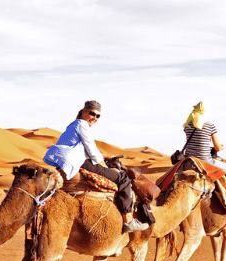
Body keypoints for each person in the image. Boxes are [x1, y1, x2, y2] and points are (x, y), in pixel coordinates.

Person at [43, 100, 149, 234]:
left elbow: (85, 148)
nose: (94, 118)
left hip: (67, 160)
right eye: (92, 114)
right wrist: (108, 168)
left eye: (98, 116)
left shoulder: (73, 125)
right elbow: (92, 151)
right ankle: (128, 220)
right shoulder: (82, 124)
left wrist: (106, 156)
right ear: (84, 111)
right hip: (77, 161)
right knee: (123, 179)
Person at [182, 101, 226, 183]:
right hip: (205, 161)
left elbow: (195, 142)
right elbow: (217, 147)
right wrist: (221, 147)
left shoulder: (187, 126)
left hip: (189, 160)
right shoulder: (210, 126)